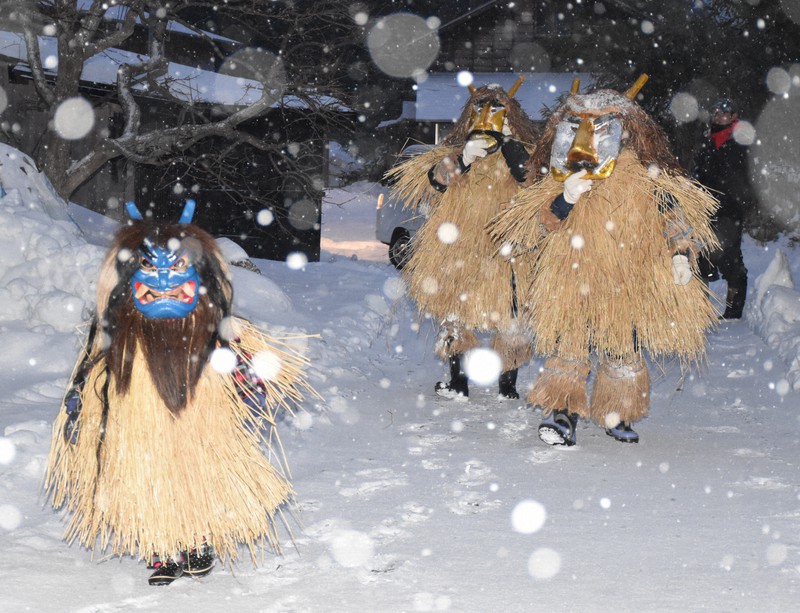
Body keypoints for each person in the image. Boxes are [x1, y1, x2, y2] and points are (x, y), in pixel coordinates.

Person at [46, 199, 315, 585]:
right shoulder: (118, 338)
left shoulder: (215, 332)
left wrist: (246, 376)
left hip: (198, 407)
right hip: (136, 407)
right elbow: (92, 374)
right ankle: (160, 544)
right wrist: (81, 406)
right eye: (149, 273)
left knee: (198, 468)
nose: (162, 285)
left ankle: (198, 538)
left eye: (176, 273)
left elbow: (241, 357)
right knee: (146, 470)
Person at [489, 75, 719, 445]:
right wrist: (564, 198)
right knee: (569, 349)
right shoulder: (559, 176)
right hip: (569, 278)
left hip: (624, 281)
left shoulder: (647, 178)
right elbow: (531, 230)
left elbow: (674, 215)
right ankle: (563, 416)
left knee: (621, 349)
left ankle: (618, 413)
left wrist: (680, 253)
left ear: (627, 132)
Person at [386, 77, 538, 400]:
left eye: (497, 113)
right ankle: (459, 381)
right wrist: (464, 159)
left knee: (511, 315)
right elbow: (435, 182)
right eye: (480, 112)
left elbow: (532, 181)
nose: (487, 119)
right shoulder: (454, 154)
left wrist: (509, 142)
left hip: (506, 251)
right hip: (461, 248)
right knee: (455, 312)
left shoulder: (522, 154)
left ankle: (507, 384)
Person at [693, 98, 754, 320]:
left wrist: (736, 201)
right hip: (708, 208)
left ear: (733, 116)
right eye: (716, 112)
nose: (719, 116)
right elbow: (700, 173)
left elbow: (743, 177)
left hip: (730, 209)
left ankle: (733, 310)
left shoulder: (740, 140)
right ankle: (703, 308)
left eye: (724, 113)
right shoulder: (708, 140)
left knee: (723, 256)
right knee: (707, 256)